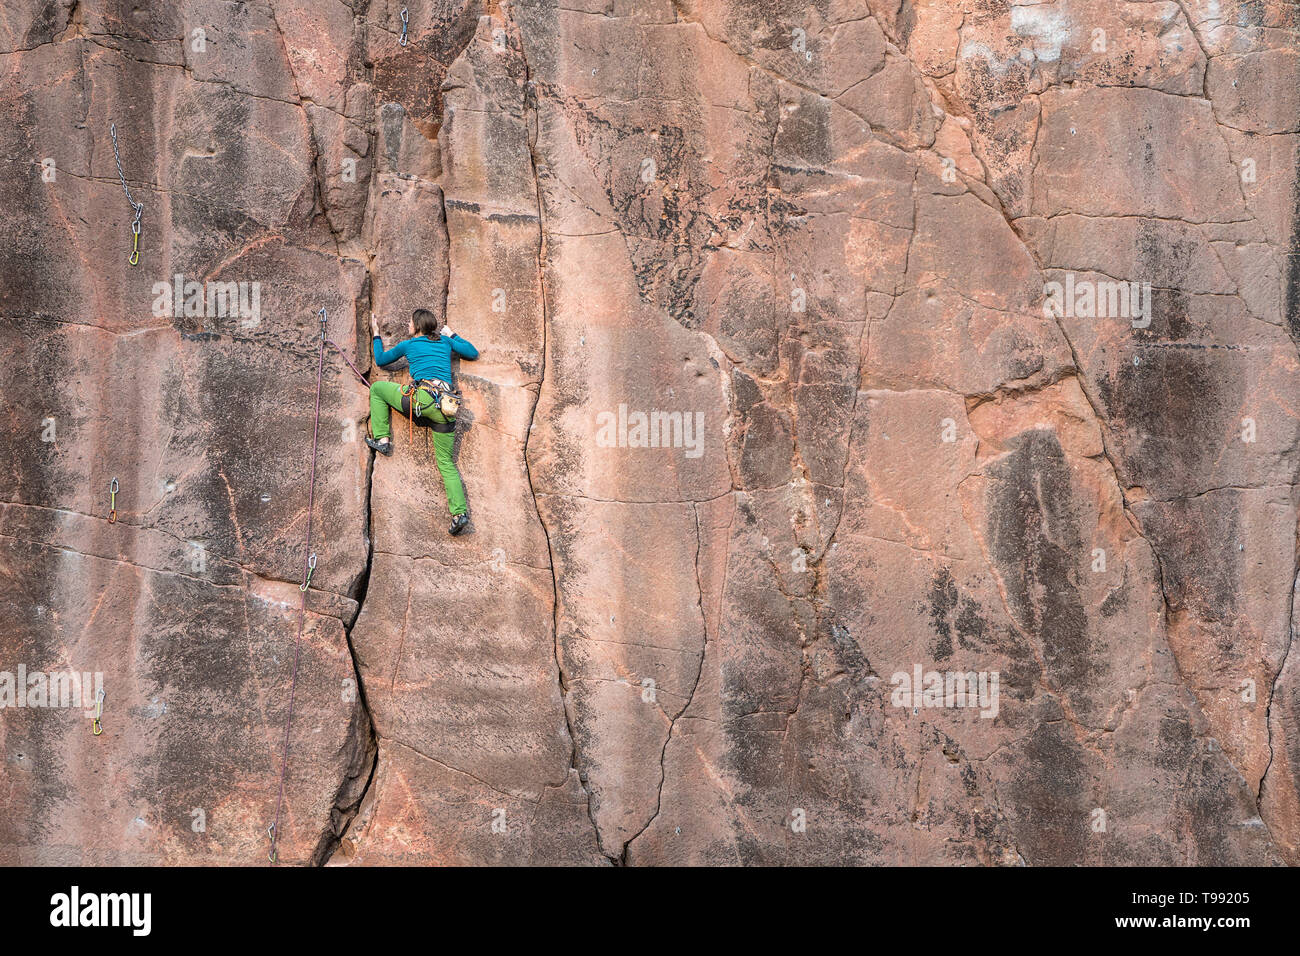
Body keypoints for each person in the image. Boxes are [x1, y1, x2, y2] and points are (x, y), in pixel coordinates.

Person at [366, 308, 479, 535]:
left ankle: (383, 439)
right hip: (446, 408)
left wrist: (376, 334)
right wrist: (452, 334)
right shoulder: (446, 343)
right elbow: (472, 352)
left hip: (420, 401)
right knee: (447, 464)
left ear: (417, 326)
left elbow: (381, 361)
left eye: (410, 322)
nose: (408, 325)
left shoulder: (409, 345)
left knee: (377, 388)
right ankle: (459, 513)